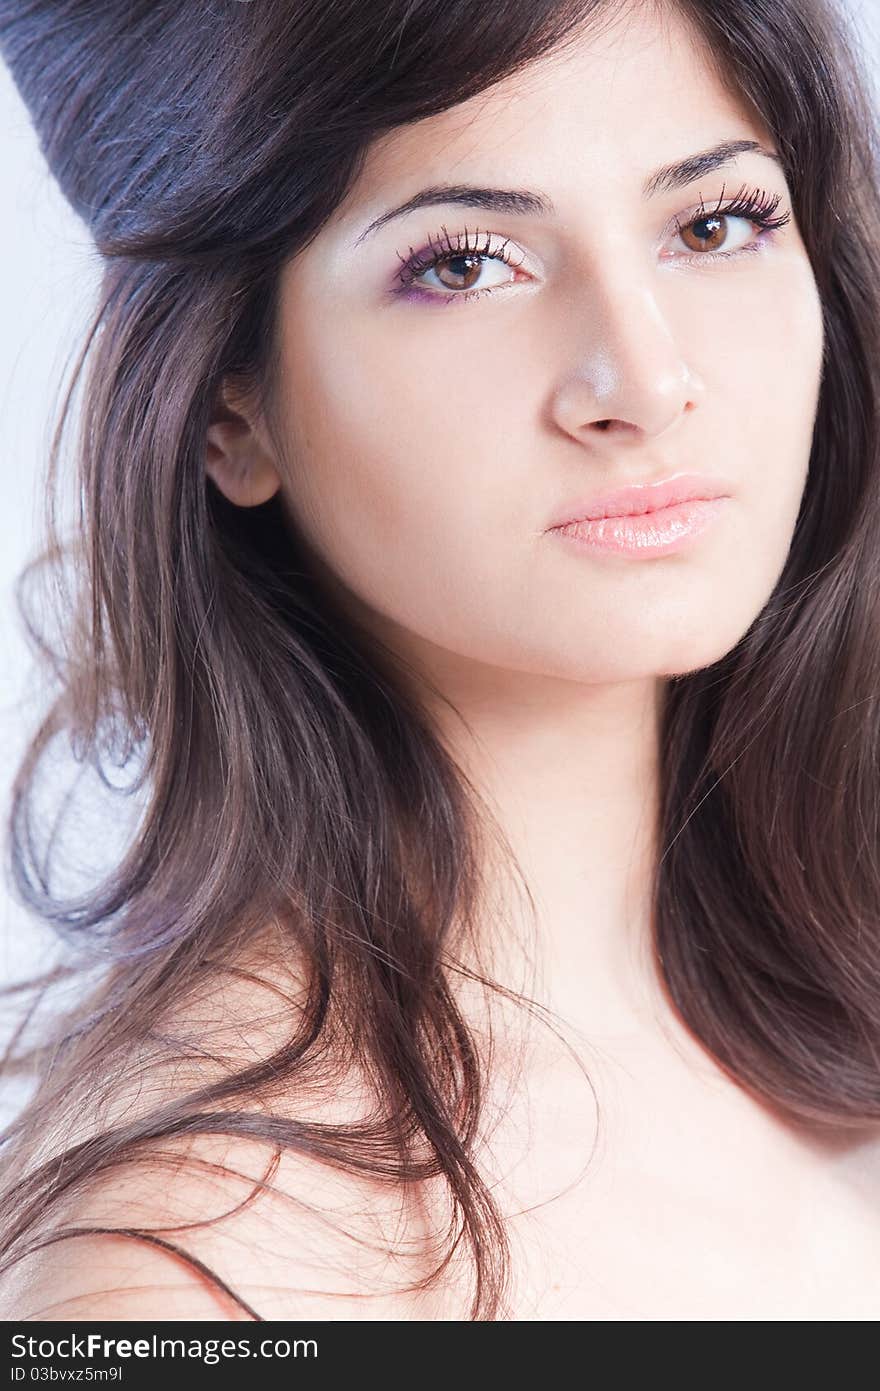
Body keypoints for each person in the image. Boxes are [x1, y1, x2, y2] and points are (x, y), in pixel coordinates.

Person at [0, 0, 878, 1321]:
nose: (642, 378)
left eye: (713, 225)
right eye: (465, 264)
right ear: (230, 407)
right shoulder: (186, 1281)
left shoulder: (826, 1008)